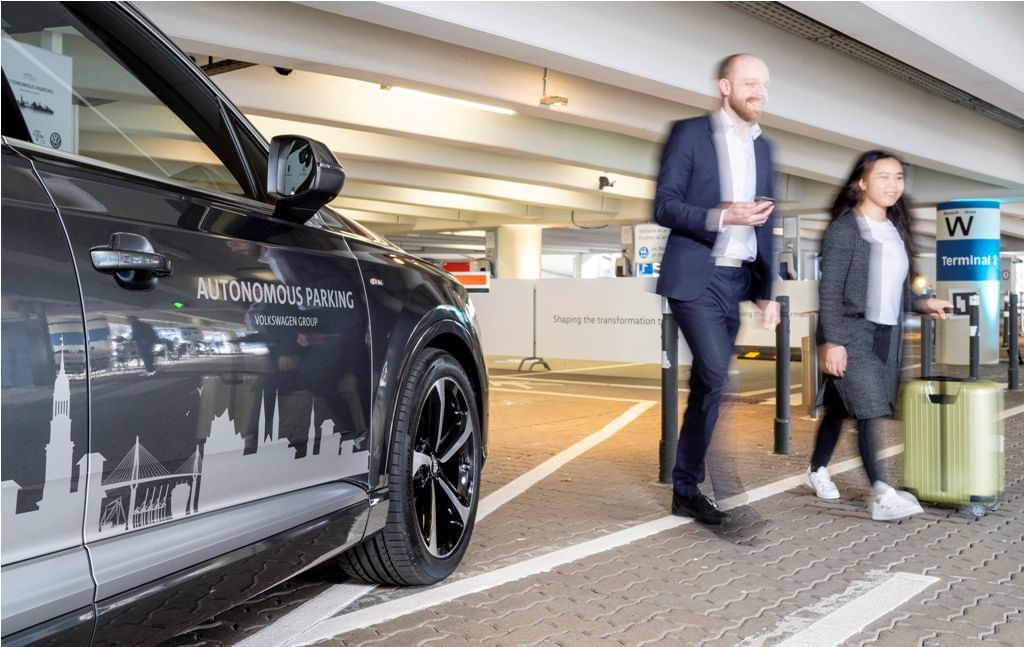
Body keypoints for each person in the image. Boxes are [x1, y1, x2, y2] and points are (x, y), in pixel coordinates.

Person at [654, 53, 780, 525]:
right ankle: (723, 486)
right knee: (715, 374)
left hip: (737, 280)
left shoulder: (764, 148)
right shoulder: (689, 134)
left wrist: (767, 289)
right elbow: (664, 206)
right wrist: (723, 215)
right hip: (696, 277)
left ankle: (684, 489)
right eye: (749, 83)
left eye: (764, 84)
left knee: (709, 384)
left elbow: (769, 224)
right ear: (725, 87)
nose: (759, 92)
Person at [805, 150, 952, 521]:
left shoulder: (895, 230)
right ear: (861, 182)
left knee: (844, 405)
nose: (893, 184)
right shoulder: (844, 230)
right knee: (869, 408)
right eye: (883, 176)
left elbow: (892, 289)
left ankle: (817, 467)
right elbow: (829, 291)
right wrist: (832, 341)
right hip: (851, 330)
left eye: (898, 177)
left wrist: (923, 304)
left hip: (886, 334)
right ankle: (881, 493)